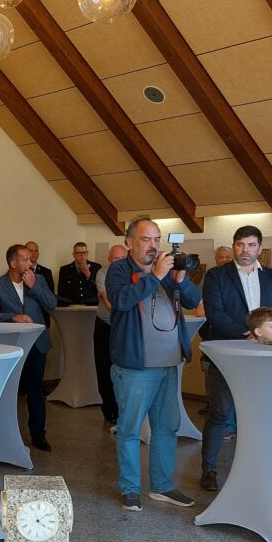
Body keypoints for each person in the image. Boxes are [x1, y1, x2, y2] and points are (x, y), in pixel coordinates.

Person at [105, 217, 201, 511]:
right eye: (146, 240)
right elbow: (121, 300)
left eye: (157, 240)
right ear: (130, 242)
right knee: (130, 428)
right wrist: (156, 276)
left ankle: (162, 486)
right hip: (136, 365)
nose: (153, 246)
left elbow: (194, 300)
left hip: (168, 364)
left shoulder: (169, 270)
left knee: (167, 426)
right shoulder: (119, 270)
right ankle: (130, 489)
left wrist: (180, 279)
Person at [199, 225, 272, 491]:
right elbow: (215, 313)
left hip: (266, 355)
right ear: (234, 246)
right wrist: (249, 335)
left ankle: (261, 468)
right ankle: (209, 469)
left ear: (259, 249)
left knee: (262, 412)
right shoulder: (217, 275)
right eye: (240, 245)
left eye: (251, 245)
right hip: (228, 353)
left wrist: (268, 336)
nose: (245, 250)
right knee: (220, 411)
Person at [0, 243, 58, 452]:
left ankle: (38, 435)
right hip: (10, 347)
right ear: (12, 262)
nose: (30, 262)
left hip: (36, 345)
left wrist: (34, 286)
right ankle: (4, 434)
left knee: (35, 391)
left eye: (30, 259)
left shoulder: (38, 279)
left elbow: (52, 304)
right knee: (8, 392)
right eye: (25, 259)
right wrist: (12, 317)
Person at [93, 244, 127, 426]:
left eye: (122, 258)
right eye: (115, 258)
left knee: (123, 369)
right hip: (106, 326)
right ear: (109, 259)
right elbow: (107, 300)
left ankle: (124, 409)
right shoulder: (102, 273)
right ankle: (109, 409)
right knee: (104, 367)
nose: (119, 261)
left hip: (125, 327)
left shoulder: (132, 272)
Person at [23, 242, 55, 328]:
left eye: (36, 251)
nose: (34, 253)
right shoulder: (19, 271)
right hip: (24, 318)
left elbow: (50, 295)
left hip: (42, 316)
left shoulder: (46, 272)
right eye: (30, 251)